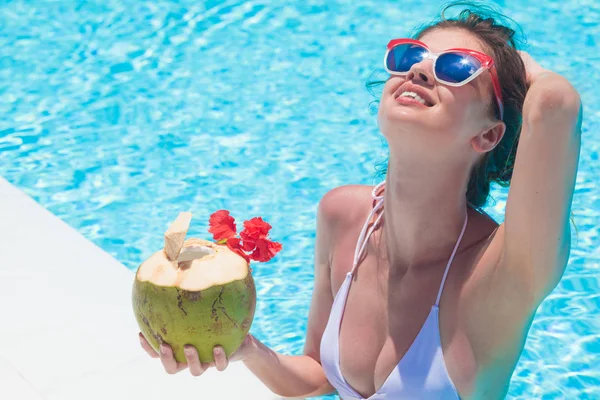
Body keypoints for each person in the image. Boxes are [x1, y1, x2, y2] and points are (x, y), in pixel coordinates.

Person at [139, 4, 582, 399]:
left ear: (488, 134)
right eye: (410, 57)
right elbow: (317, 375)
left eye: (457, 67)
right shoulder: (343, 215)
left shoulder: (502, 270)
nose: (420, 71)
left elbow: (556, 105)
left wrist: (523, 68)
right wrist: (244, 348)